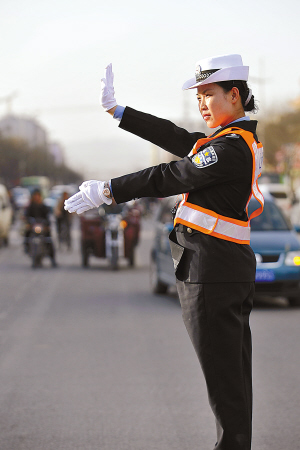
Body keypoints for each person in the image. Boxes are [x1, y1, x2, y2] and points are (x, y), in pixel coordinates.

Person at [64, 54, 264, 450]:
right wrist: (118, 111)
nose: (202, 104)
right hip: (221, 271)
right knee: (232, 383)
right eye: (199, 97)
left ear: (235, 96)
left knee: (226, 388)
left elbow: (172, 174)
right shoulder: (229, 142)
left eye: (209, 95)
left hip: (212, 274)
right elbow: (176, 138)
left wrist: (108, 191)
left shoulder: (229, 149)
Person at [24, 188, 57, 267]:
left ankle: (52, 259)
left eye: (38, 195)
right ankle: (27, 247)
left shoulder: (44, 206)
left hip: (42, 228)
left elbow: (48, 217)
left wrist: (47, 225)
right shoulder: (30, 207)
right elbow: (26, 216)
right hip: (33, 227)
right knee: (26, 234)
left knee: (49, 239)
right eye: (35, 196)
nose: (36, 197)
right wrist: (28, 223)